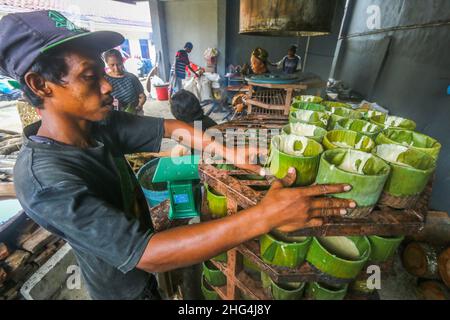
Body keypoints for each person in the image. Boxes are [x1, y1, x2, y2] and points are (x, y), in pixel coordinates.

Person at [0, 11, 355, 300]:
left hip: (142, 266)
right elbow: (149, 254)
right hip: (122, 289)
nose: (107, 84)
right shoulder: (46, 182)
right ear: (39, 85)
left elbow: (171, 127)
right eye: (90, 76)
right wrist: (265, 216)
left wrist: (225, 151)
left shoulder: (95, 125)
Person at [104, 49, 146, 115]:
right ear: (107, 64)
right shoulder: (105, 80)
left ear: (122, 61)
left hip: (134, 113)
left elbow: (142, 96)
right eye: (112, 65)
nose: (116, 68)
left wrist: (139, 107)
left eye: (118, 64)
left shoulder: (132, 78)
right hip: (114, 115)